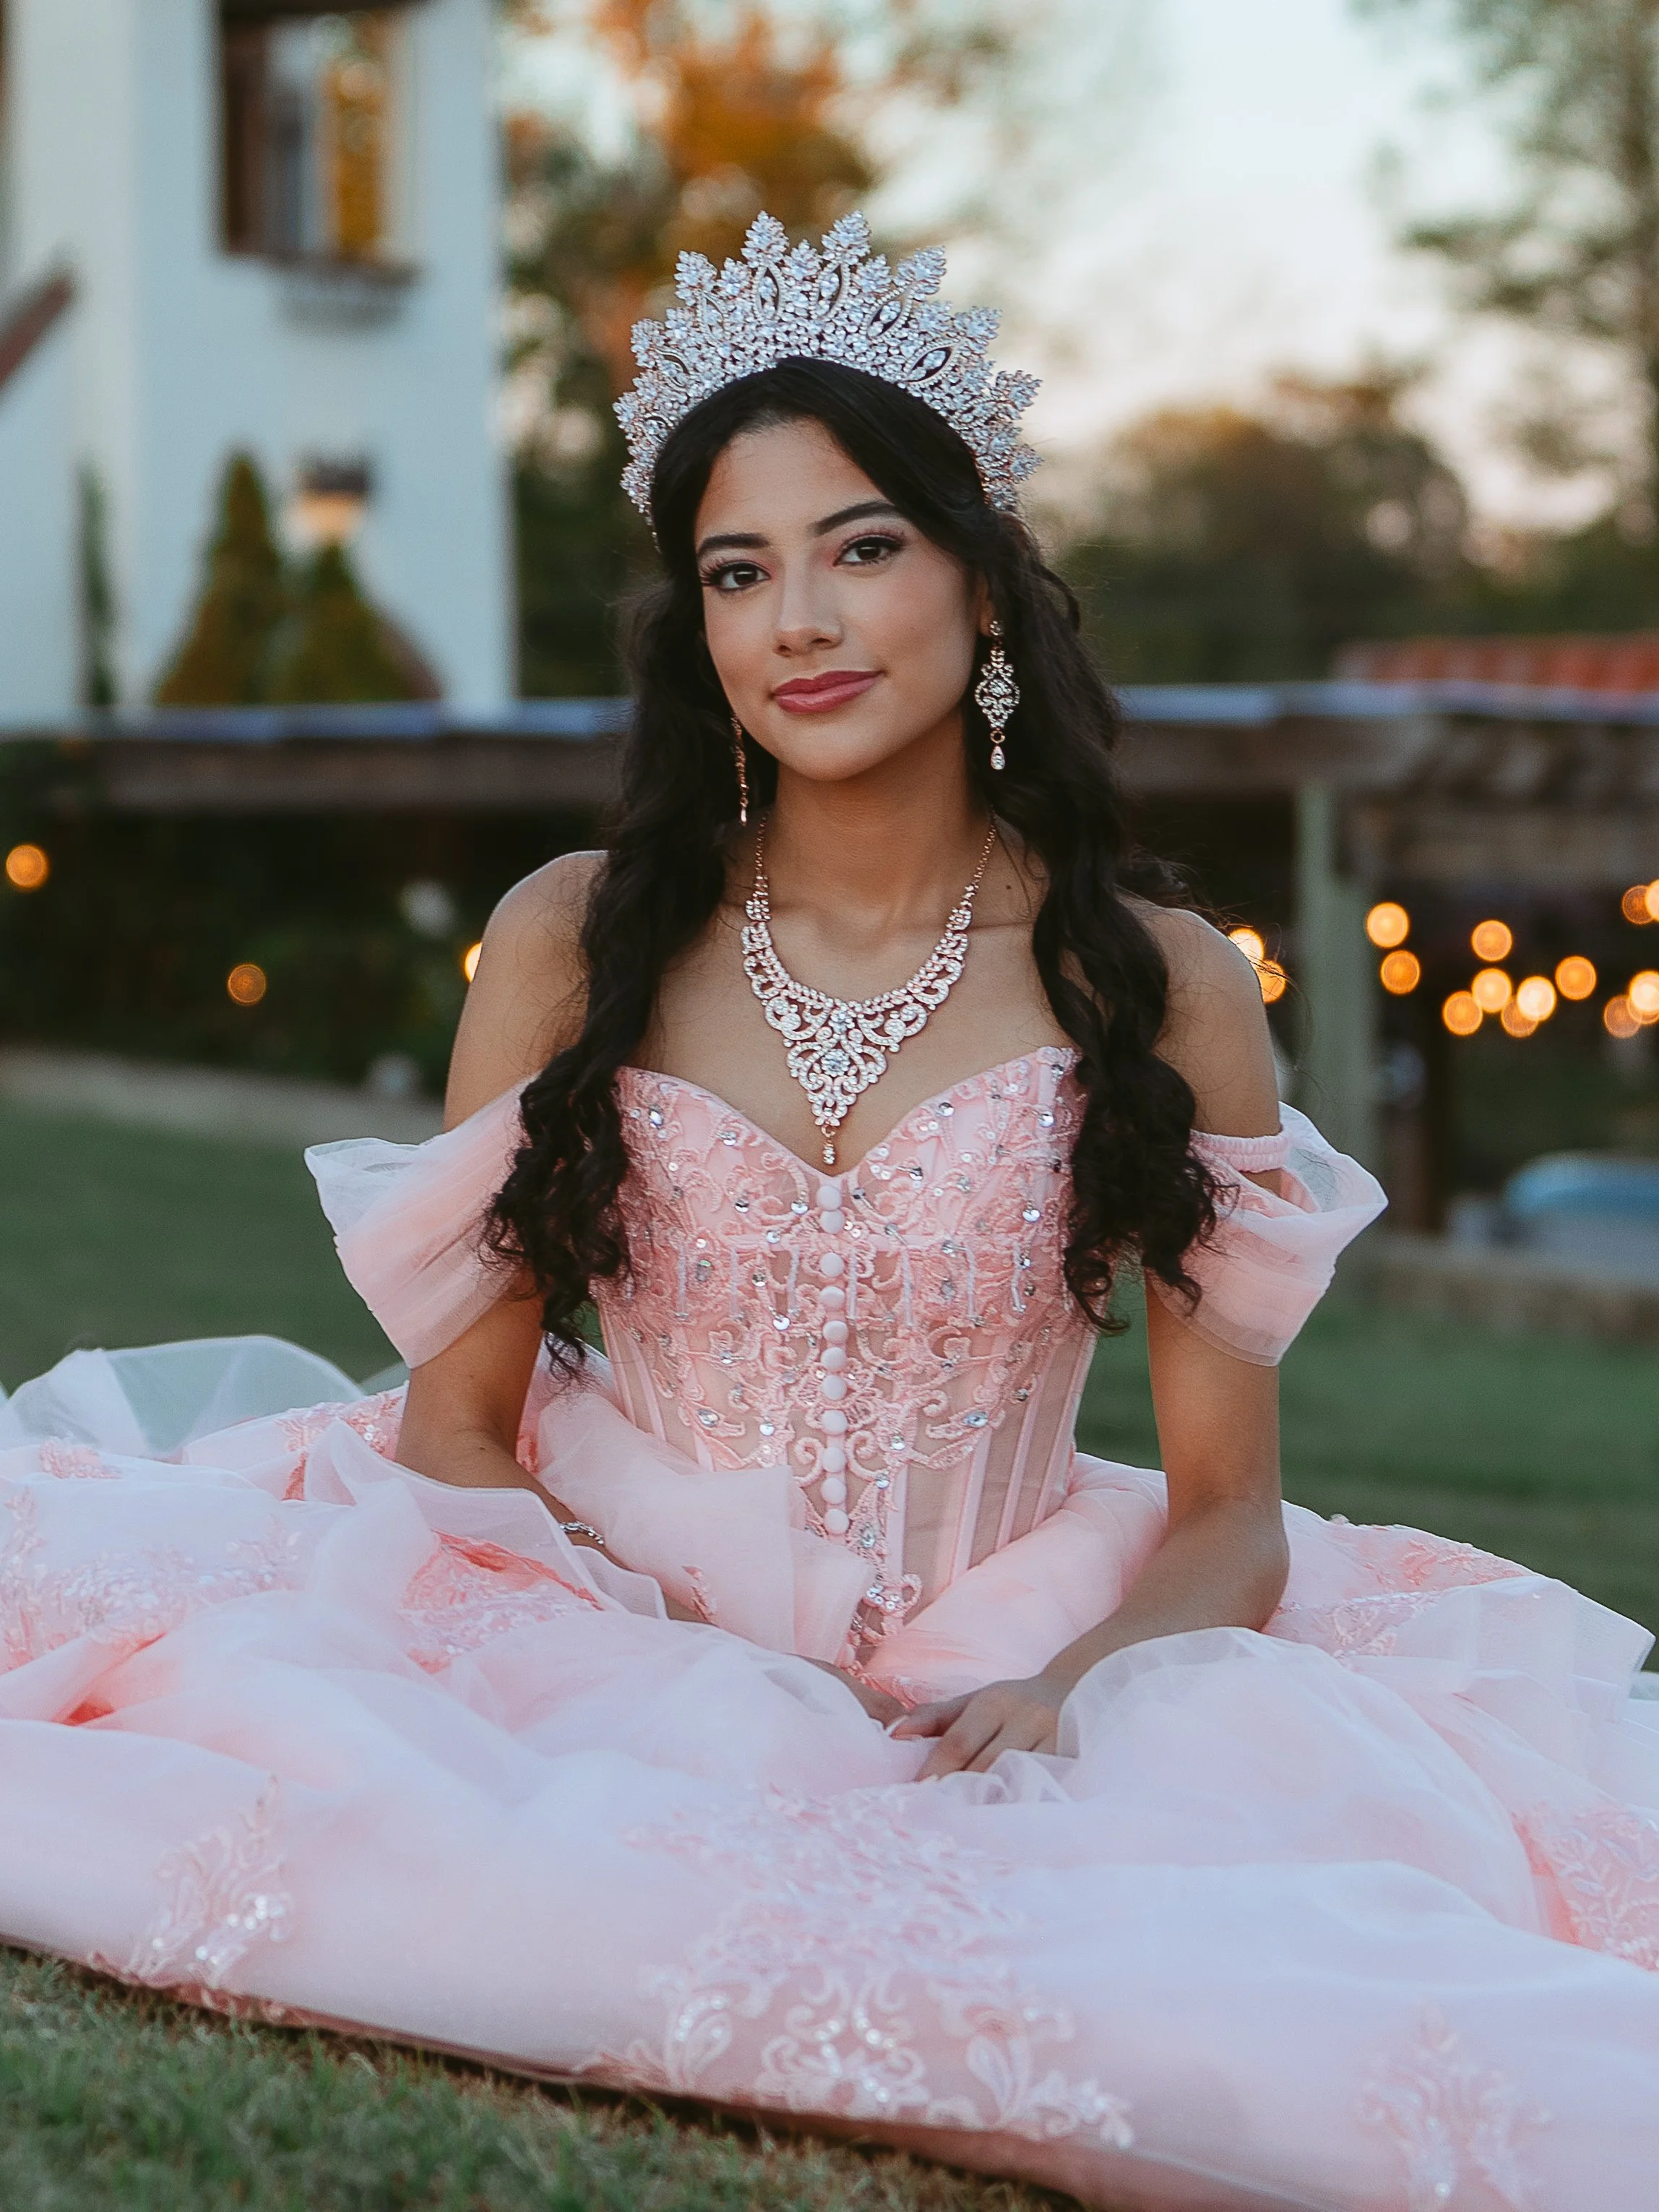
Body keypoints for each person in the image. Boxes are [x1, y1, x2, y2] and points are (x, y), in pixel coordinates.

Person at [3, 214, 1658, 2211]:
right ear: (697, 628)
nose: (800, 613)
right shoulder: (569, 938)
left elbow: (1230, 1504)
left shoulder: (1166, 979)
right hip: (593, 1615)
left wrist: (1080, 1686)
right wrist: (644, 1647)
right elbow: (453, 1424)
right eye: (739, 566)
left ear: (981, 582)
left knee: (1246, 1998)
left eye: (861, 544)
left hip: (1025, 1629)